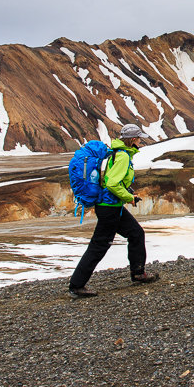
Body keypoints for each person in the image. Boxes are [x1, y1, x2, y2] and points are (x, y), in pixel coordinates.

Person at [68, 124, 158, 298]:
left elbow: (110, 179)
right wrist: (128, 198)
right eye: (139, 139)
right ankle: (77, 285)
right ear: (132, 140)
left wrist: (128, 193)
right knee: (99, 246)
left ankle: (138, 273)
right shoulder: (123, 157)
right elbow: (112, 183)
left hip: (111, 207)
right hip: (109, 209)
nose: (140, 142)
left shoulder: (116, 153)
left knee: (136, 233)